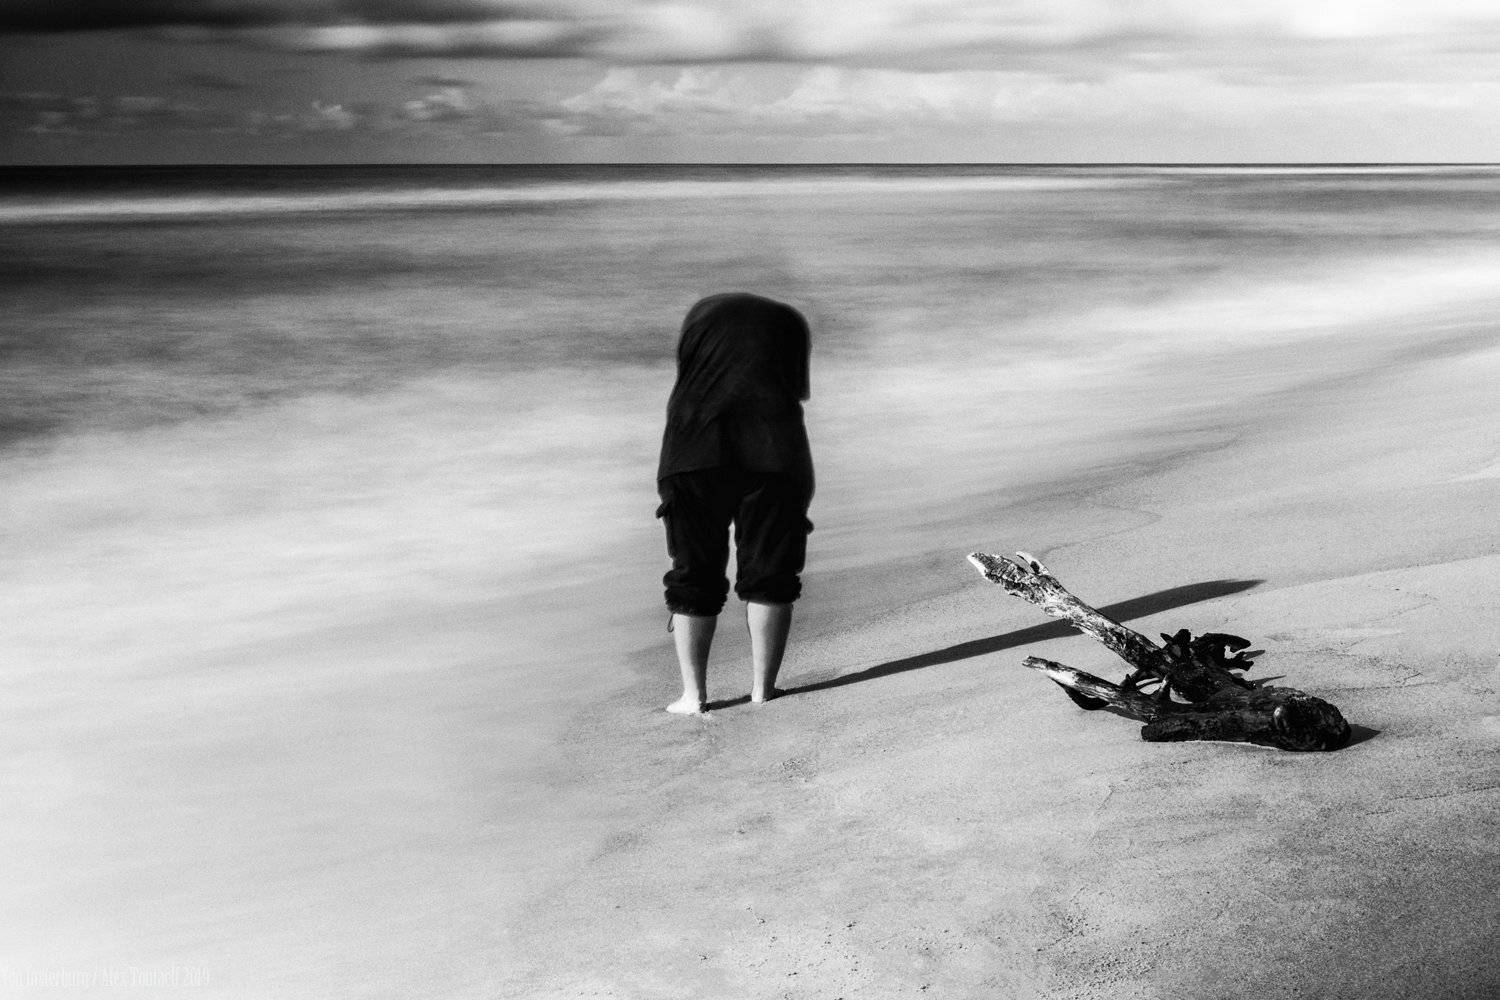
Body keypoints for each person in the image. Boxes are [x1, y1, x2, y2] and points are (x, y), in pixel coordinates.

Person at [656, 292, 815, 715]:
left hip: (692, 451)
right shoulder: (790, 321)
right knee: (771, 573)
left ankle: (694, 697)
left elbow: (688, 377)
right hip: (775, 452)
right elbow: (796, 391)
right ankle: (764, 689)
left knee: (693, 572)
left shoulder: (697, 317)